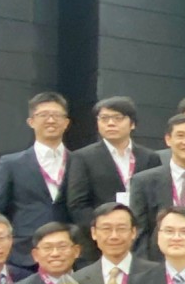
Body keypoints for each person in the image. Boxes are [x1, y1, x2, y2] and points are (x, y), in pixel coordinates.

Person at [65, 96, 161, 261]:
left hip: (141, 243)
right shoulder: (82, 157)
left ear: (132, 123)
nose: (110, 123)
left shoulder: (149, 157)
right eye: (104, 118)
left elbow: (154, 202)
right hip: (100, 244)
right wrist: (104, 230)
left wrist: (136, 232)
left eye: (117, 118)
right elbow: (77, 204)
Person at [0, 91, 73, 268]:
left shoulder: (79, 161)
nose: (51, 120)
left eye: (57, 115)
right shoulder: (11, 164)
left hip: (69, 252)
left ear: (66, 123)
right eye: (44, 115)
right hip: (23, 254)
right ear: (31, 121)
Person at [128, 114, 185, 261]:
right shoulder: (143, 181)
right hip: (158, 264)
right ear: (168, 139)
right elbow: (139, 232)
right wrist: (145, 268)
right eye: (181, 136)